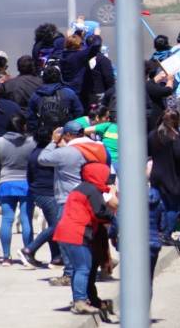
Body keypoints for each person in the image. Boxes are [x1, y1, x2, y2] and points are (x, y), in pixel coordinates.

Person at [38, 120, 108, 286]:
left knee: (66, 238)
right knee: (87, 236)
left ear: (68, 135)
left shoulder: (67, 152)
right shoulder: (95, 149)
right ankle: (90, 269)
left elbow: (42, 159)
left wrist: (53, 141)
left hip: (68, 199)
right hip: (89, 197)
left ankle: (70, 273)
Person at [53, 161, 117, 315]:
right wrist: (113, 213)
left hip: (67, 232)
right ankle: (80, 301)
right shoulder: (92, 190)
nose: (108, 178)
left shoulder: (82, 188)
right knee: (83, 268)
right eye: (106, 175)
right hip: (77, 232)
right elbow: (100, 213)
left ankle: (80, 299)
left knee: (79, 268)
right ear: (98, 175)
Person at [0, 114, 36, 265]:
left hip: (6, 183)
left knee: (7, 220)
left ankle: (6, 256)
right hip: (26, 184)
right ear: (23, 126)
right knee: (26, 219)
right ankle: (28, 254)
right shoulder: (32, 142)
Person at [18, 127, 62, 268]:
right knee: (56, 226)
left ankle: (56, 258)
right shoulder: (49, 154)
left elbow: (29, 176)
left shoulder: (34, 153)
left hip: (38, 192)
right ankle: (29, 250)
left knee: (52, 225)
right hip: (48, 194)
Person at [147, 110, 180, 243]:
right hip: (172, 176)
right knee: (174, 206)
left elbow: (148, 151)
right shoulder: (175, 136)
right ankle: (166, 234)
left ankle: (156, 231)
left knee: (159, 205)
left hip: (156, 174)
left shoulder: (153, 134)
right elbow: (178, 155)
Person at [27, 66, 84, 133]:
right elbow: (79, 111)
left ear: (43, 79)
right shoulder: (69, 93)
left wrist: (36, 132)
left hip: (44, 134)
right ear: (59, 78)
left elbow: (31, 117)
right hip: (65, 133)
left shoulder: (36, 95)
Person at [59, 29, 102, 101]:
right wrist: (97, 36)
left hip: (65, 89)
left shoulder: (63, 55)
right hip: (79, 91)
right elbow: (96, 45)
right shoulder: (80, 56)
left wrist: (75, 35)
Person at [145, 60, 173, 133]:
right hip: (154, 121)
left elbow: (150, 83)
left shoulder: (143, 84)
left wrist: (157, 78)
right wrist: (170, 80)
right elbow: (167, 91)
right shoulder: (148, 86)